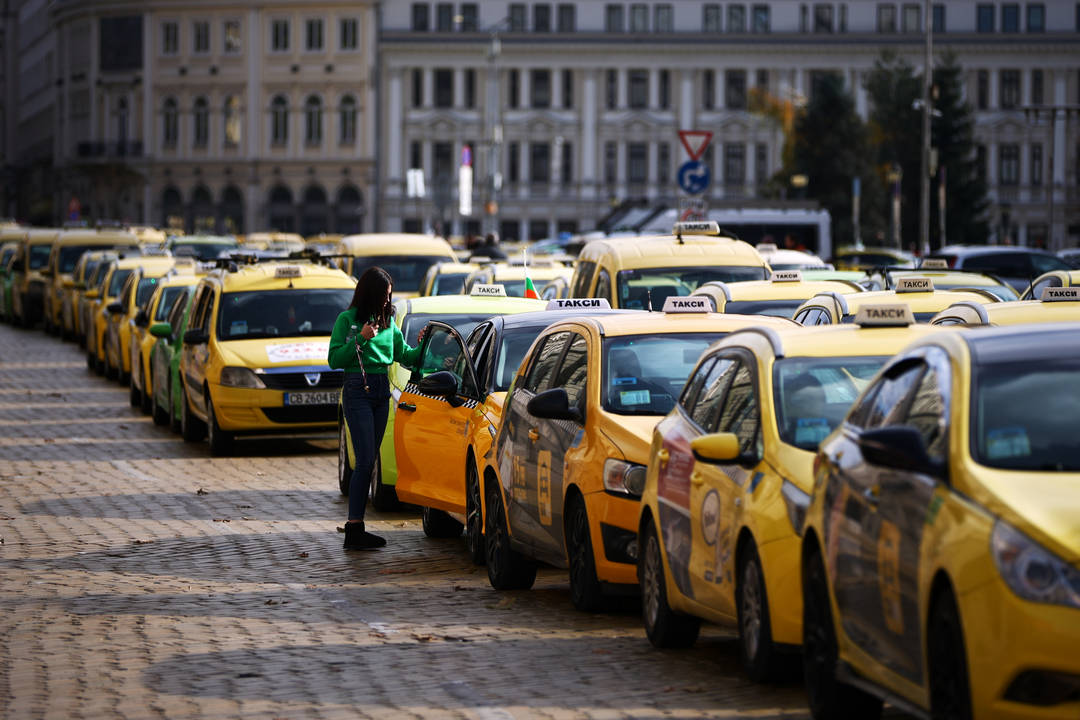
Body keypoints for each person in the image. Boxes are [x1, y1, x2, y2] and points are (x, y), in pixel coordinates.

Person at [328, 267, 424, 550]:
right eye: (383, 295)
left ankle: (357, 528)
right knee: (366, 459)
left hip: (381, 390)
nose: (386, 301)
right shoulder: (347, 321)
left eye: (390, 296)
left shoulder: (388, 322)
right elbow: (334, 358)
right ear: (371, 293)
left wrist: (423, 347)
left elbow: (404, 356)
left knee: (371, 461)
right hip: (358, 389)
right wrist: (361, 338)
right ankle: (354, 528)